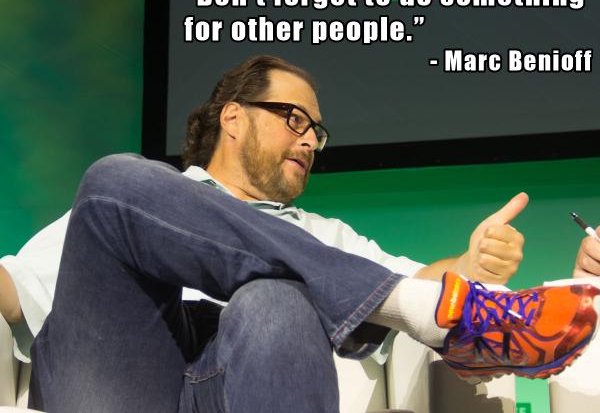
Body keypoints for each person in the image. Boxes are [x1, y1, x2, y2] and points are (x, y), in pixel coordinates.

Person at [0, 55, 598, 413]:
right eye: (294, 120)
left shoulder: (321, 234)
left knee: (278, 298)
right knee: (113, 180)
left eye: (317, 131)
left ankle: (428, 313)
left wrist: (467, 265)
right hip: (117, 384)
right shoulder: (134, 206)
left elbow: (422, 275)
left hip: (251, 384)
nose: (310, 140)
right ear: (233, 116)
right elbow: (16, 291)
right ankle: (419, 312)